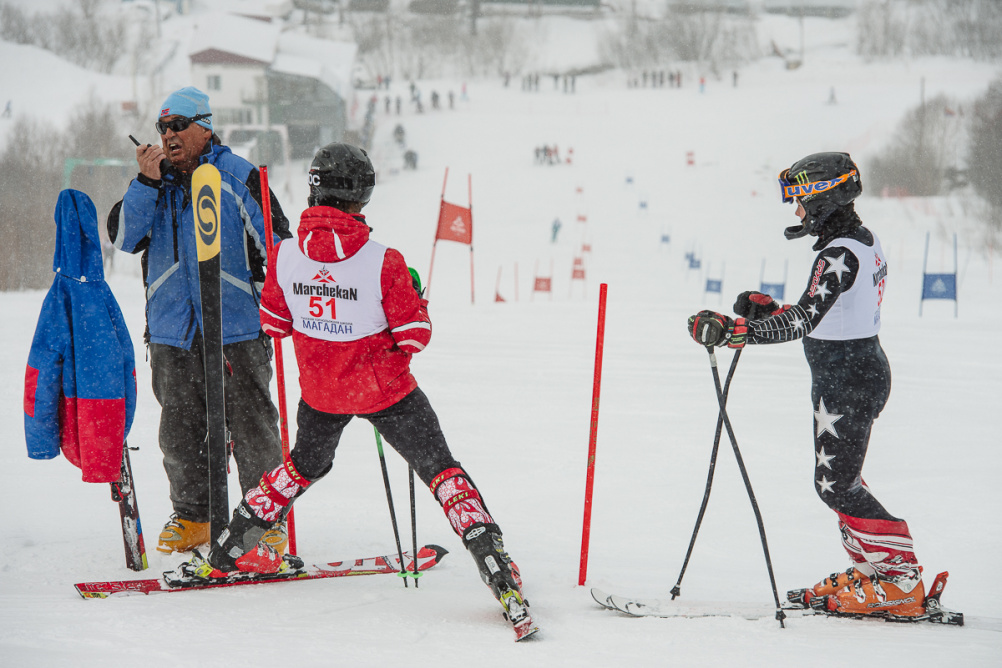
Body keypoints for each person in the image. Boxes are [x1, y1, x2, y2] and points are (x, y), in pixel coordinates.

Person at [192, 142, 535, 638]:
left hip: (321, 393)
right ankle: (496, 566)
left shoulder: (285, 254)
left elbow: (274, 324)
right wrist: (413, 295)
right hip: (385, 391)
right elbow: (414, 337)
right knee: (441, 470)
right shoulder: (384, 261)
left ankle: (229, 549)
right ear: (363, 195)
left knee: (301, 467)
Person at [686, 152, 926, 618]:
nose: (797, 211)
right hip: (852, 372)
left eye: (800, 201)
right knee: (838, 482)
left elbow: (804, 320)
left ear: (824, 199)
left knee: (836, 486)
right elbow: (825, 313)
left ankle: (900, 581)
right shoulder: (857, 241)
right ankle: (874, 572)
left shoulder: (839, 253)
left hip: (848, 380)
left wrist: (739, 331)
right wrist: (769, 312)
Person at [106, 87, 292, 555]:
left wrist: (272, 296)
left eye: (179, 125)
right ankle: (195, 517)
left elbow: (277, 244)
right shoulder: (153, 184)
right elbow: (124, 239)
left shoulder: (237, 174)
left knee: (252, 425)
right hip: (173, 329)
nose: (169, 135)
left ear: (205, 127)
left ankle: (264, 520)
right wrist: (146, 182)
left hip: (236, 327)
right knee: (180, 430)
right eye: (162, 128)